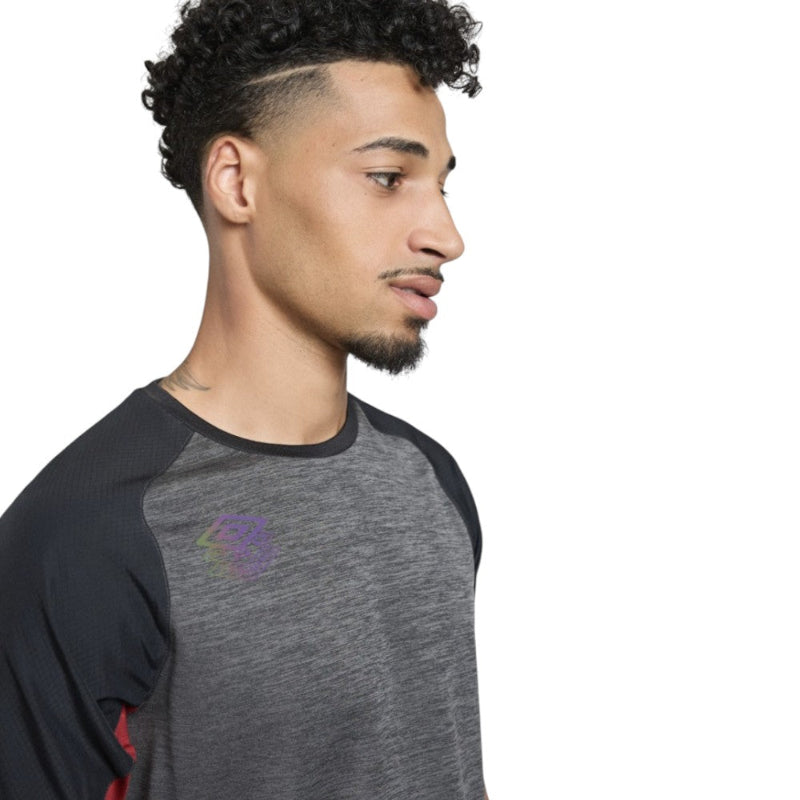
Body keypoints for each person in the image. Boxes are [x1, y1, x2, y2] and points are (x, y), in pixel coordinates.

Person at [0, 0, 488, 797]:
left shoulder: (428, 481)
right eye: (388, 179)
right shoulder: (88, 533)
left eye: (440, 185)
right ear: (236, 181)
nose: (446, 235)